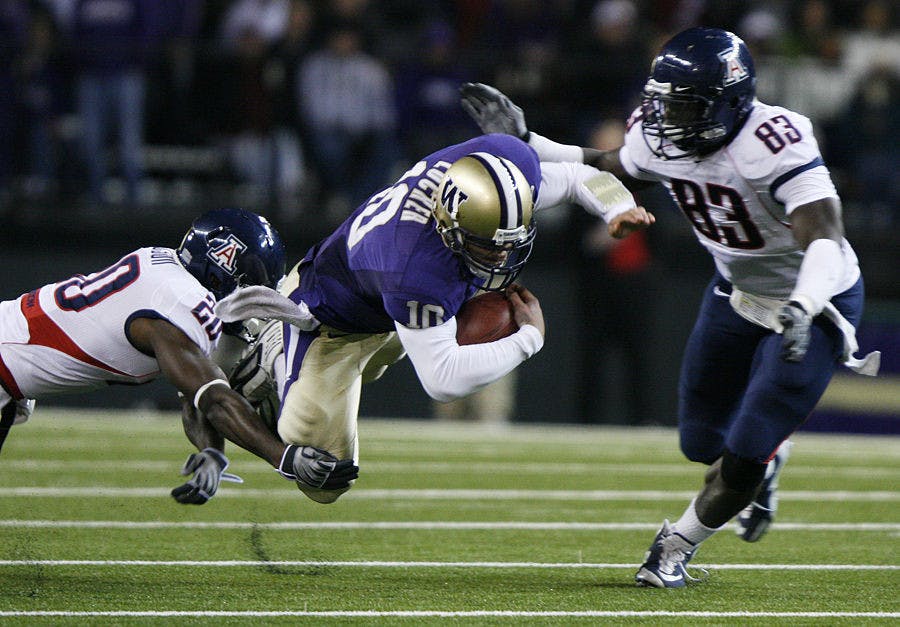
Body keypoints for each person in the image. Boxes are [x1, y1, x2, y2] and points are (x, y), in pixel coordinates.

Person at [459, 26, 880, 588]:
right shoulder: (667, 136)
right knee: (699, 442)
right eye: (663, 103)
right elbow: (608, 163)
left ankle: (675, 546)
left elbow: (825, 235)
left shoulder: (775, 141)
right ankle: (766, 456)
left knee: (745, 451)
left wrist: (803, 304)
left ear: (728, 103)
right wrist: (527, 139)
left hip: (816, 300)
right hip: (737, 294)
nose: (665, 119)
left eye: (683, 105)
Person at [213, 132, 655, 505]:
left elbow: (579, 177)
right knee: (325, 480)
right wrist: (529, 338)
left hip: (386, 305)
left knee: (424, 324)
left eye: (510, 242)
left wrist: (616, 208)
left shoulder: (503, 169)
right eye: (488, 246)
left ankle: (307, 373)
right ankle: (272, 352)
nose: (502, 256)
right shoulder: (414, 266)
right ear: (449, 228)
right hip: (330, 320)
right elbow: (442, 379)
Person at [0, 208, 354, 505]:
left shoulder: (166, 272)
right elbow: (213, 398)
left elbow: (194, 395)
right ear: (223, 269)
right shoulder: (181, 305)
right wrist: (283, 457)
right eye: (248, 288)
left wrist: (212, 452)